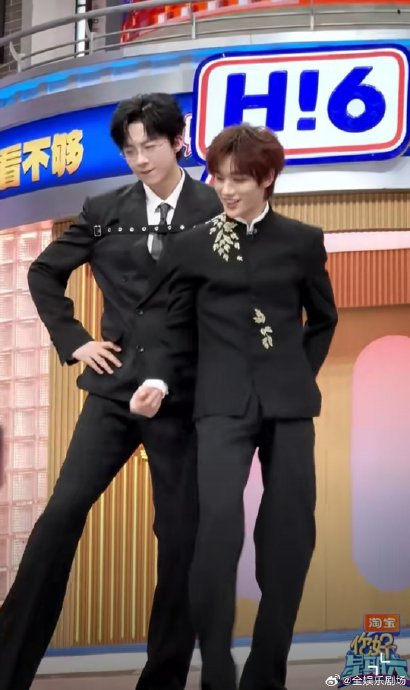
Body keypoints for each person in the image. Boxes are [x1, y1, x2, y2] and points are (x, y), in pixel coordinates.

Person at [0, 93, 222, 690]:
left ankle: (163, 680)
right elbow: (44, 272)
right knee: (60, 515)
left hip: (184, 400)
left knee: (181, 539)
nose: (140, 159)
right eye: (130, 149)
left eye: (151, 145)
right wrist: (75, 341)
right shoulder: (104, 209)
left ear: (179, 141)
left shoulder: (214, 209)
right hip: (114, 391)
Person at [130, 123, 338, 690]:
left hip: (289, 407)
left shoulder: (302, 241)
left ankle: (267, 672)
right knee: (217, 530)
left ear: (267, 179)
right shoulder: (193, 245)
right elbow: (170, 327)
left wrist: (298, 372)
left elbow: (324, 319)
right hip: (220, 405)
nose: (226, 189)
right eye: (219, 178)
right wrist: (158, 379)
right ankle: (216, 669)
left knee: (290, 534)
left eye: (239, 179)